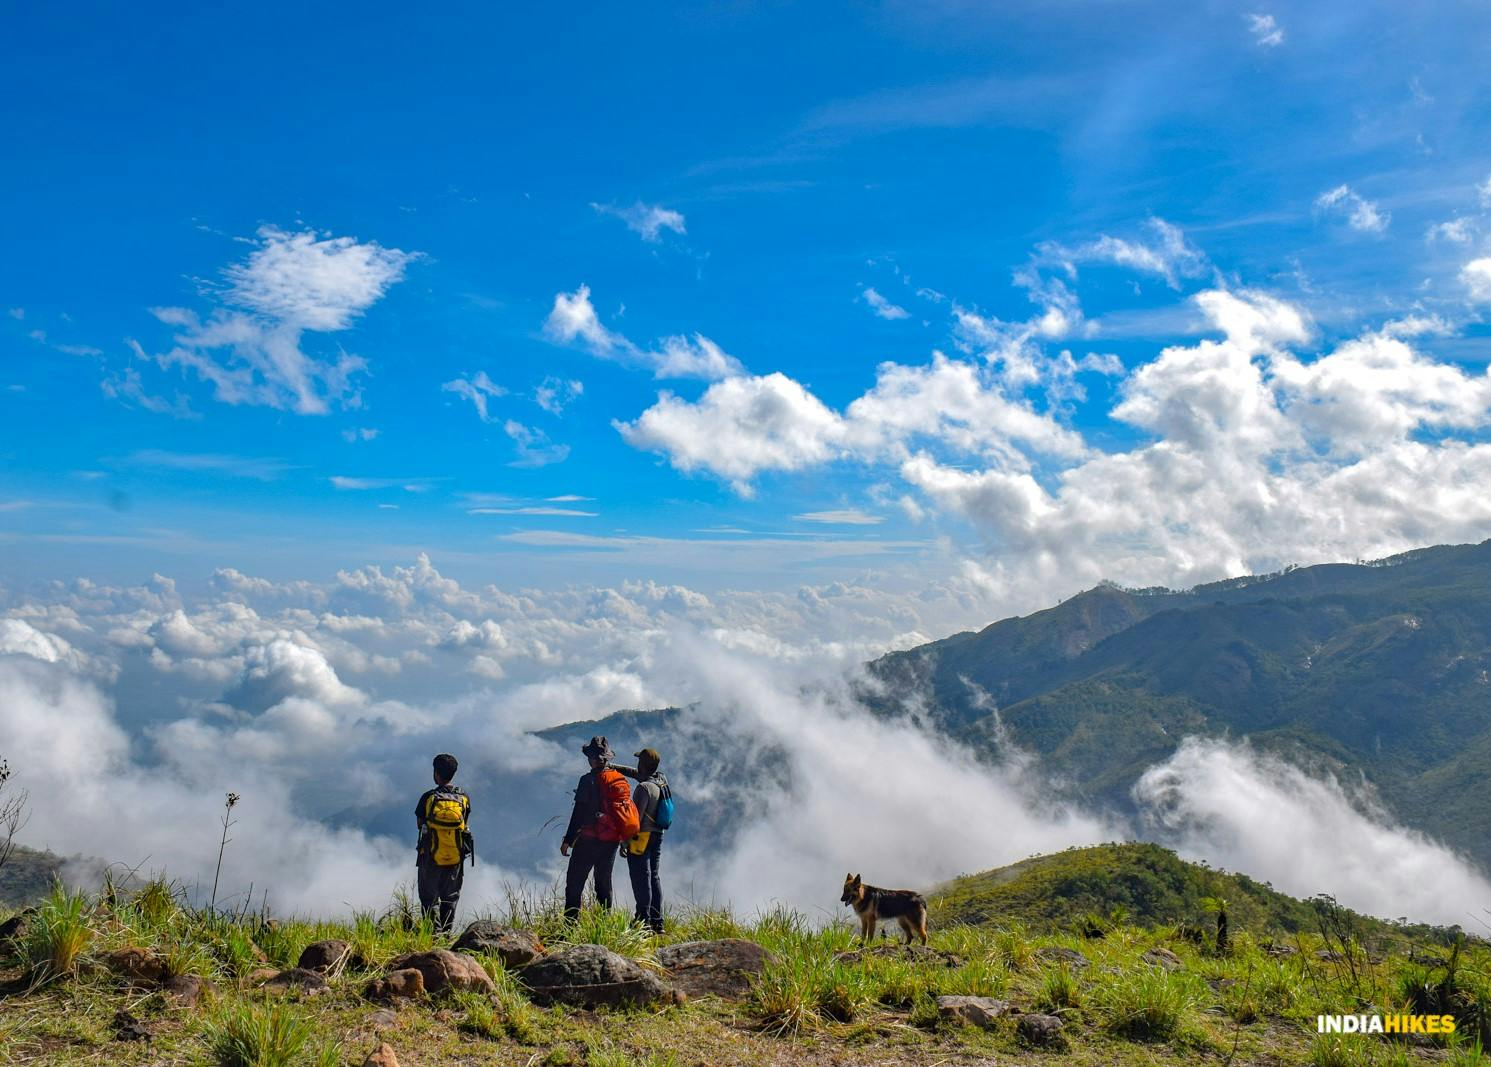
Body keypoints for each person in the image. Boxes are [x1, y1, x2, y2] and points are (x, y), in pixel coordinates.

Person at [561, 735, 636, 922]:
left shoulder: (587, 780)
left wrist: (568, 840)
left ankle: (570, 925)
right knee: (603, 882)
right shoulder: (619, 779)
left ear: (591, 759)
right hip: (611, 840)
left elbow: (578, 813)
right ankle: (603, 924)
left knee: (575, 882)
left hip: (588, 839)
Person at [614, 747, 670, 934]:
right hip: (658, 835)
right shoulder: (660, 781)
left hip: (641, 836)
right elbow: (635, 774)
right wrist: (613, 767)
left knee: (640, 877)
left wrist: (625, 842)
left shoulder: (642, 789)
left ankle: (642, 920)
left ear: (642, 764)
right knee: (653, 876)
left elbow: (633, 820)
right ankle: (657, 922)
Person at [414, 752, 471, 934]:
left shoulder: (428, 797)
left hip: (430, 855)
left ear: (436, 773)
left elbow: (419, 824)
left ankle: (433, 937)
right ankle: (446, 936)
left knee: (429, 899)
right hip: (455, 856)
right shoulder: (463, 798)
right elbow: (465, 823)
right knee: (450, 898)